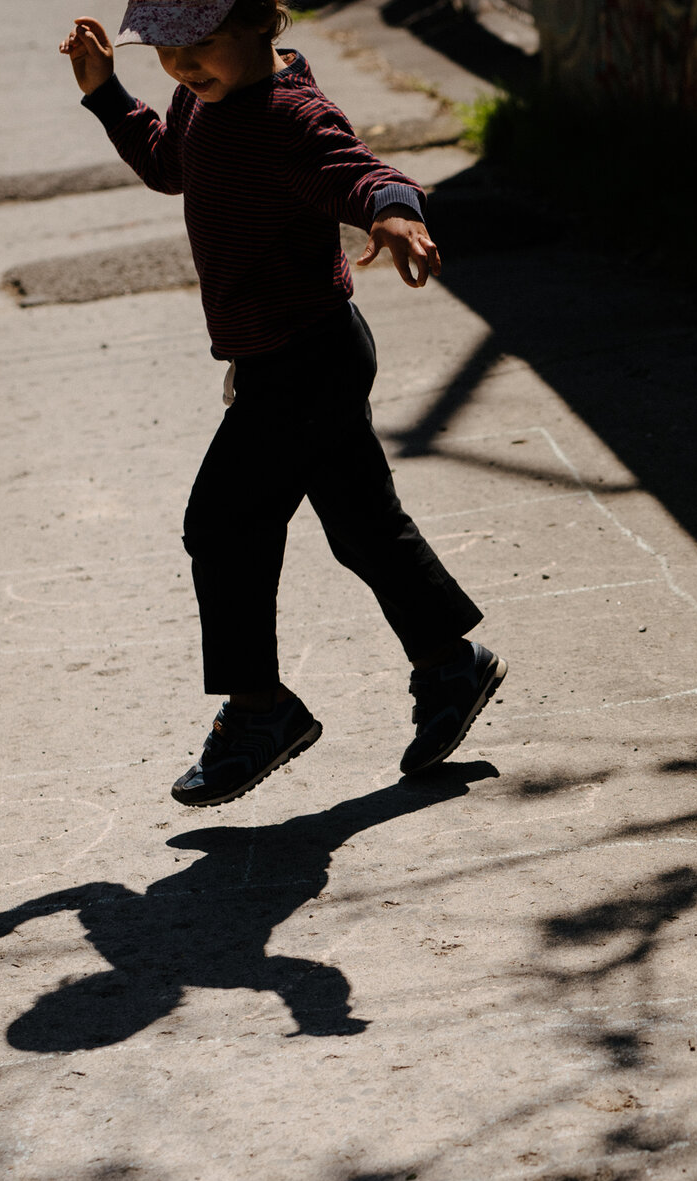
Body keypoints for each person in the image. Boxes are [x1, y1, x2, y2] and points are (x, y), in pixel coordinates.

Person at [61, 0, 505, 808]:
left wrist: (398, 216)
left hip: (304, 363)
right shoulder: (206, 98)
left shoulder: (289, 115)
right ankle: (450, 664)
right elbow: (171, 165)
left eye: (200, 45)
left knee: (223, 525)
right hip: (293, 359)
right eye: (166, 50)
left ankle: (261, 711)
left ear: (262, 22)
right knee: (364, 524)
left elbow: (364, 172)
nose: (183, 66)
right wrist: (107, 95)